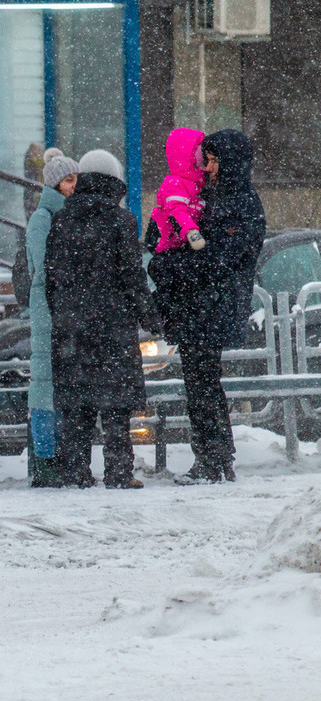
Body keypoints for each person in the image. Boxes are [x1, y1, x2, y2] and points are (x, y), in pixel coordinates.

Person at [148, 130, 265, 484]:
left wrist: (166, 267)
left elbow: (216, 260)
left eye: (214, 161)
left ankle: (212, 460)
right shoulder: (214, 196)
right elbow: (163, 237)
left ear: (229, 163)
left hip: (211, 307)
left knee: (202, 385)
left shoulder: (239, 203)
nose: (208, 168)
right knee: (202, 383)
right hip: (201, 306)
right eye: (206, 160)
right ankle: (216, 457)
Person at [45, 149, 161, 489]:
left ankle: (77, 473)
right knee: (115, 405)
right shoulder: (120, 221)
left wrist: (65, 314)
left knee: (77, 405)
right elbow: (132, 276)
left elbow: (51, 278)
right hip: (112, 326)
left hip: (72, 327)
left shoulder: (61, 220)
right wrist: (150, 316)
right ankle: (118, 472)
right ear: (114, 182)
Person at [25, 149, 78, 488]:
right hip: (49, 309)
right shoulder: (42, 219)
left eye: (76, 179)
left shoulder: (65, 216)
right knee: (44, 389)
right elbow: (44, 269)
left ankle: (58, 458)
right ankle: (45, 461)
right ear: (55, 184)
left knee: (60, 388)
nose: (75, 186)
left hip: (62, 309)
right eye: (69, 180)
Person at [150, 128, 208, 253]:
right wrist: (192, 232)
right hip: (169, 244)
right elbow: (176, 211)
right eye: (198, 151)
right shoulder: (176, 183)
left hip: (181, 245)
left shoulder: (199, 184)